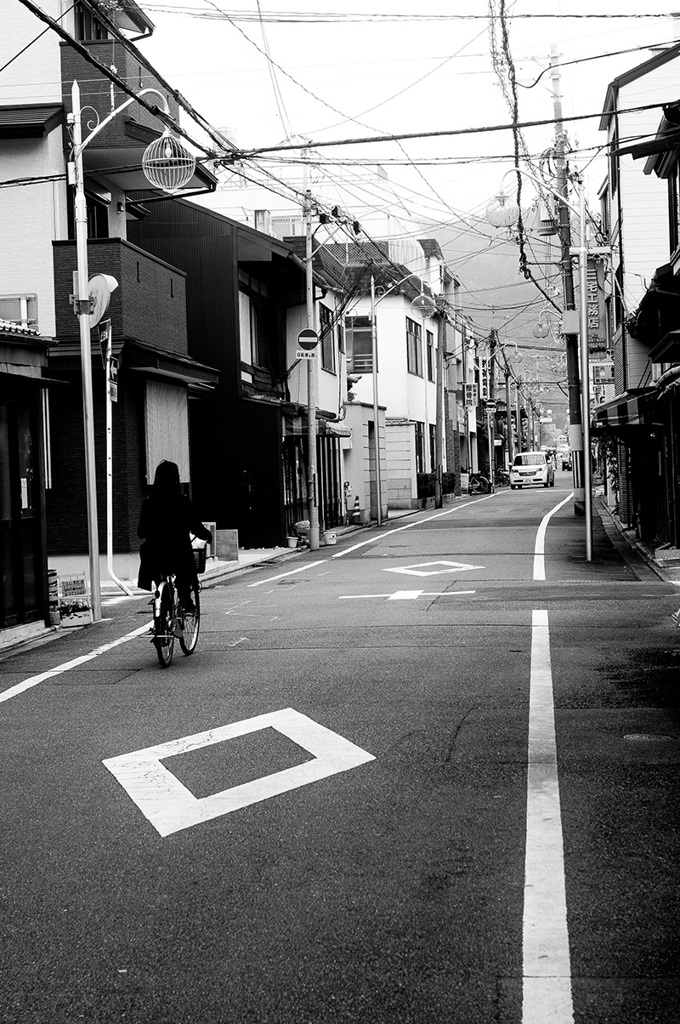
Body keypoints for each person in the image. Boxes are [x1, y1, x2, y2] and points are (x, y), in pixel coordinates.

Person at [137, 460, 212, 610]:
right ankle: (185, 599)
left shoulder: (148, 504)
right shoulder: (182, 502)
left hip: (155, 553)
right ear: (176, 479)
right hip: (178, 552)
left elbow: (141, 532)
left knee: (157, 573)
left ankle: (162, 595)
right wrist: (207, 536)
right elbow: (196, 527)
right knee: (184, 569)